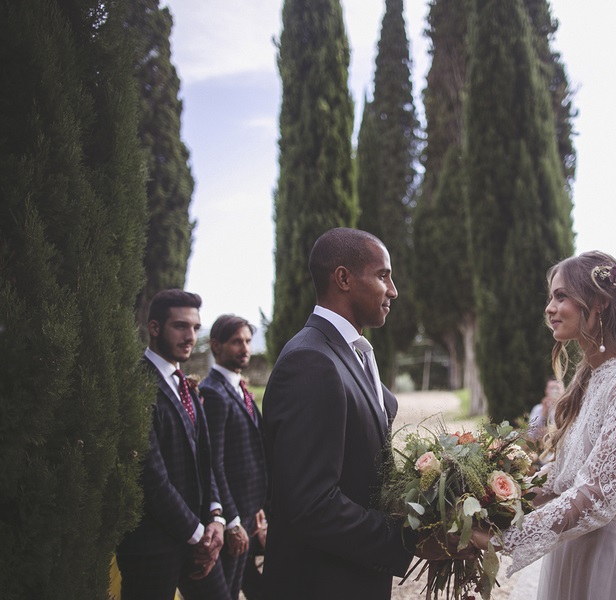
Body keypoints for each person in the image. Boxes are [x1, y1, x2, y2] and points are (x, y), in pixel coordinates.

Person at [479, 251, 616, 599]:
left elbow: (598, 494)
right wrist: (488, 501)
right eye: (550, 297)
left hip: (610, 561)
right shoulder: (591, 379)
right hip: (572, 552)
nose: (549, 308)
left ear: (598, 302)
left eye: (561, 296)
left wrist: (503, 538)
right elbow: (563, 479)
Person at [262, 228, 414, 599]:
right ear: (343, 278)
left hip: (353, 578)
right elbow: (312, 505)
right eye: (382, 275)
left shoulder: (353, 353)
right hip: (320, 584)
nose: (392, 290)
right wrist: (407, 540)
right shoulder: (310, 360)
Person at [116, 289, 229, 600]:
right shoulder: (137, 385)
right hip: (152, 547)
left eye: (195, 327)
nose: (190, 336)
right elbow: (151, 477)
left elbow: (205, 459)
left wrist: (216, 516)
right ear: (154, 328)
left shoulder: (187, 385)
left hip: (200, 538)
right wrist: (198, 535)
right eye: (180, 326)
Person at [199, 315, 267, 600]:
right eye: (237, 341)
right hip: (230, 518)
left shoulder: (240, 388)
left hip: (250, 513)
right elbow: (213, 463)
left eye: (248, 341)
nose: (245, 348)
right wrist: (231, 520)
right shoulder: (213, 392)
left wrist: (259, 508)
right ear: (216, 345)